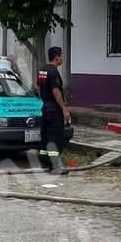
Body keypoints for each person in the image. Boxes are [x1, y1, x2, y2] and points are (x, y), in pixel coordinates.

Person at [37, 46, 70, 174]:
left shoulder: (42, 70)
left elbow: (39, 87)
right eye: (61, 56)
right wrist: (64, 109)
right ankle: (55, 166)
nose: (62, 58)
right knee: (55, 136)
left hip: (45, 107)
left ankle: (44, 162)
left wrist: (44, 101)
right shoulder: (54, 71)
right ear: (57, 57)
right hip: (54, 109)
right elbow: (56, 91)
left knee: (45, 135)